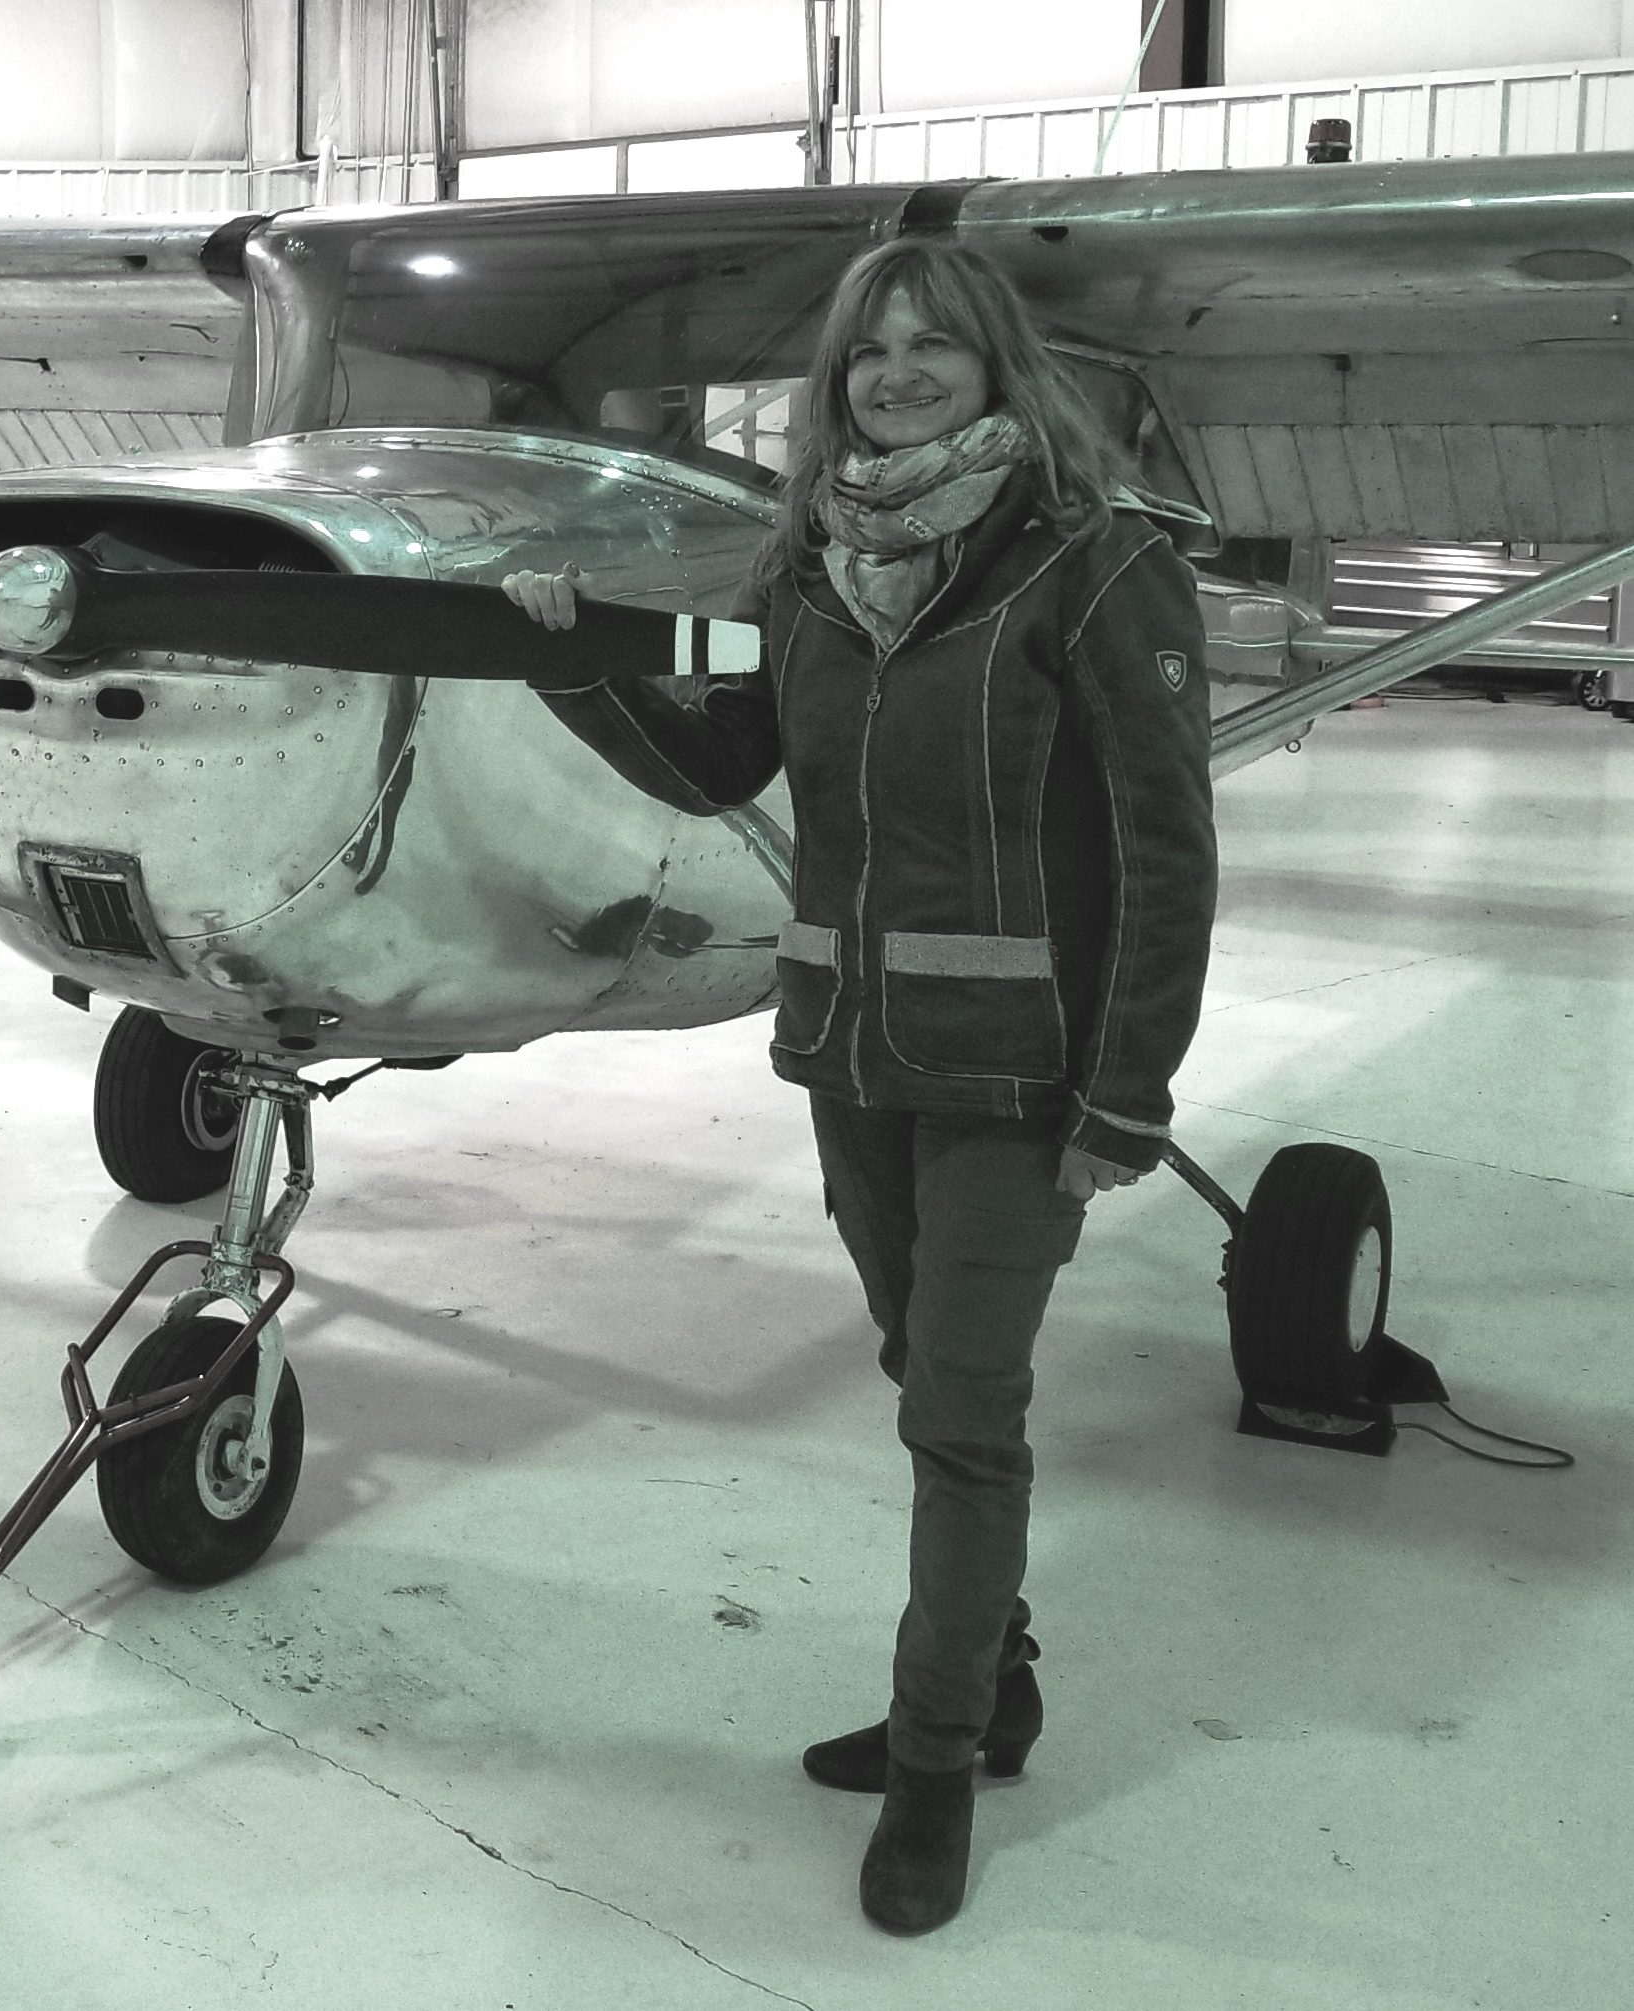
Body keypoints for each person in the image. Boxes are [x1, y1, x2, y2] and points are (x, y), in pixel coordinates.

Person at [501, 236, 1218, 1934]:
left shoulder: (1095, 567)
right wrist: (568, 663)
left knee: (963, 1418)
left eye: (930, 345)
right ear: (832, 385)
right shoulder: (815, 567)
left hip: (1017, 1080)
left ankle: (936, 1766)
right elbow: (720, 764)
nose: (894, 371)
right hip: (846, 1055)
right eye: (865, 351)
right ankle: (1004, 1684)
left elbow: (1163, 854)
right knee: (919, 1376)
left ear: (991, 365)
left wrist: (1128, 1092)